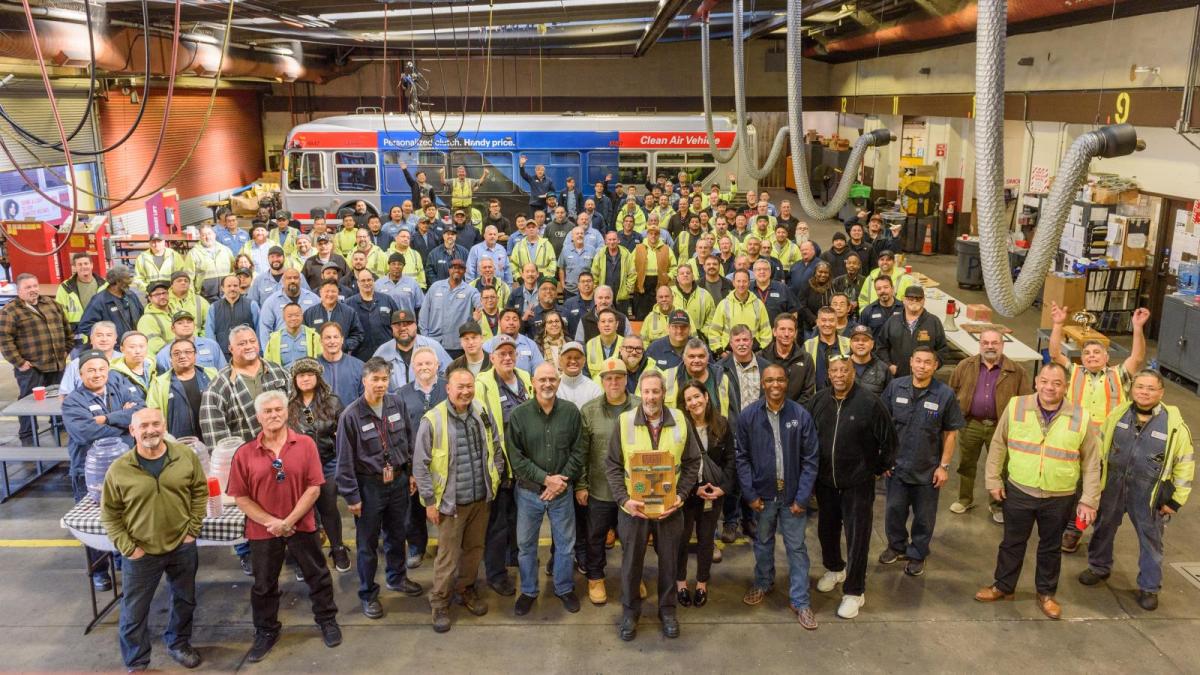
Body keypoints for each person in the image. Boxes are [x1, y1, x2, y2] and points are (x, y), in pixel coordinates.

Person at [975, 363, 1101, 620]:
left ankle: (1045, 593)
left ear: (1065, 387)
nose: (1049, 387)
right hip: (1020, 490)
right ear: (1036, 382)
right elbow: (998, 444)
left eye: (1056, 383)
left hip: (1060, 495)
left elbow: (1091, 462)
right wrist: (993, 480)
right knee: (1012, 542)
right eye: (1044, 381)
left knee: (1051, 547)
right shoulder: (1017, 406)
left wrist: (1089, 499)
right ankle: (1003, 586)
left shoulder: (1080, 416)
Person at [227, 391, 340, 662]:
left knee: (318, 575)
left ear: (287, 412)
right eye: (267, 411)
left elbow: (314, 488)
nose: (274, 414)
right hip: (263, 531)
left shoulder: (305, 444)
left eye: (278, 409)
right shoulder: (244, 453)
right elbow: (240, 497)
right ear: (258, 417)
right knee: (264, 584)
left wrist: (289, 521)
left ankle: (327, 620)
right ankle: (266, 631)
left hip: (301, 525)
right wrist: (272, 522)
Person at [100, 407, 207, 671]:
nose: (151, 430)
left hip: (181, 546)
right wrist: (129, 548)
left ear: (164, 426)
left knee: (185, 600)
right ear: (132, 431)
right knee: (134, 611)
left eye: (156, 424)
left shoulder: (184, 456)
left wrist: (192, 530)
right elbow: (110, 514)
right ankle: (137, 662)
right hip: (141, 551)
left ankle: (178, 643)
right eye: (144, 425)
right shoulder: (119, 468)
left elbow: (199, 491)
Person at [1079, 370, 1194, 611]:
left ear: (1161, 392)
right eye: (1140, 386)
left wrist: (1174, 502)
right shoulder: (1118, 414)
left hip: (1148, 492)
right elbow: (1100, 447)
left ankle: (1150, 587)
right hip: (1113, 485)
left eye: (1151, 388)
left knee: (1151, 539)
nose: (1144, 392)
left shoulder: (1174, 426)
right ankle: (1098, 567)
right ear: (1133, 389)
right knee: (1103, 526)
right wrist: (1093, 485)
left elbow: (1185, 464)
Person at [605, 370, 701, 641]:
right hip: (633, 510)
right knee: (631, 562)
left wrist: (681, 496)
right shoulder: (624, 422)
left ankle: (667, 611)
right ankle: (629, 612)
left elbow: (693, 462)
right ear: (640, 394)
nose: (650, 397)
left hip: (670, 509)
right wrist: (624, 500)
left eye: (655, 391)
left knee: (670, 561)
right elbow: (612, 465)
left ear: (664, 393)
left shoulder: (681, 420)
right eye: (646, 392)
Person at [412, 366, 505, 632]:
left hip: (480, 499)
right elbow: (420, 464)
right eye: (459, 387)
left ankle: (465, 589)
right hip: (450, 504)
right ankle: (439, 602)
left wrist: (495, 479)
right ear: (448, 389)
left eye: (469, 386)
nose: (465, 391)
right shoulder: (433, 420)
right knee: (447, 557)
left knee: (475, 551)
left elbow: (496, 446)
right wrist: (430, 501)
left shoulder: (481, 411)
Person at [1049, 304, 1149, 552]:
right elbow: (1054, 354)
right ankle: (1071, 528)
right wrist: (1058, 324)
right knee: (1074, 487)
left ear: (1107, 357)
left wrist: (1137, 328)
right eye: (1087, 353)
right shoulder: (1073, 373)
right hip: (1077, 442)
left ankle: (1084, 532)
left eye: (1097, 352)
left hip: (1110, 446)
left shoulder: (1118, 375)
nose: (1092, 356)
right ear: (1081, 359)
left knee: (1101, 492)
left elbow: (1137, 358)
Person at [334, 357, 424, 619]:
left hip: (397, 481)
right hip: (368, 486)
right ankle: (368, 593)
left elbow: (407, 439)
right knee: (367, 544)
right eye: (375, 379)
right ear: (364, 381)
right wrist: (352, 495)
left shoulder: (397, 403)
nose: (381, 384)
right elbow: (345, 460)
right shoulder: (351, 415)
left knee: (397, 535)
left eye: (384, 379)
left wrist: (409, 474)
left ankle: (396, 577)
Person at [809, 354, 897, 620]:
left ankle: (854, 591)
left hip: (857, 485)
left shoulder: (870, 403)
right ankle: (835, 568)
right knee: (827, 529)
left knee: (858, 538)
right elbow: (809, 437)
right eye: (834, 370)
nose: (839, 375)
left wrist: (874, 468)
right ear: (828, 374)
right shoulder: (819, 401)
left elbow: (890, 442)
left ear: (852, 373)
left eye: (844, 370)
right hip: (825, 483)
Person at [199, 325, 291, 574]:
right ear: (230, 348)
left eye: (252, 341)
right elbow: (216, 436)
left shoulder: (278, 373)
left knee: (287, 503)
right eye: (242, 343)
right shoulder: (218, 386)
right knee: (249, 511)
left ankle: (291, 548)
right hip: (246, 462)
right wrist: (235, 468)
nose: (249, 346)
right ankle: (246, 552)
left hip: (283, 455)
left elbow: (291, 412)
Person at [737, 363, 820, 629]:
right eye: (769, 380)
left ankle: (801, 600)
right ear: (763, 383)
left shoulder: (800, 415)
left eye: (780, 380)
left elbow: (810, 459)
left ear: (786, 382)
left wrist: (803, 497)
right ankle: (763, 583)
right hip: (763, 496)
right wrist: (750, 494)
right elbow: (742, 458)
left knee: (796, 548)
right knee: (762, 542)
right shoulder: (749, 416)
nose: (775, 385)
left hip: (793, 496)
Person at [878, 347, 965, 577]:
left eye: (928, 362)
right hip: (897, 466)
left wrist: (943, 467)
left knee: (924, 517)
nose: (922, 366)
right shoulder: (896, 387)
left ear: (935, 366)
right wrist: (884, 459)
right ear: (911, 361)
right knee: (894, 511)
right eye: (918, 361)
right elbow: (883, 425)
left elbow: (950, 433)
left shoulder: (944, 394)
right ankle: (896, 546)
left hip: (927, 470)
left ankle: (917, 553)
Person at [507, 363, 584, 615]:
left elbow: (579, 450)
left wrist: (560, 481)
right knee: (526, 545)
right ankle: (528, 590)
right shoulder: (519, 415)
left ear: (558, 382)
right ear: (533, 382)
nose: (548, 384)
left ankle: (564, 588)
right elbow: (515, 457)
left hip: (562, 492)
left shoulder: (571, 413)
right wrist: (545, 479)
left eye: (552, 379)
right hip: (529, 493)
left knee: (565, 545)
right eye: (543, 380)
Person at [63, 350, 143, 590]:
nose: (97, 374)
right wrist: (123, 424)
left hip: (124, 469)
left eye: (101, 369)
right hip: (88, 474)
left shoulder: (119, 385)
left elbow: (139, 410)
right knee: (96, 524)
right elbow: (85, 433)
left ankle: (121, 558)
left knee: (125, 516)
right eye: (91, 370)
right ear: (80, 374)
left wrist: (106, 419)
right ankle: (99, 571)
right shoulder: (73, 402)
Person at [948, 328, 1031, 521]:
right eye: (985, 342)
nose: (990, 346)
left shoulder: (1016, 371)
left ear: (1002, 345)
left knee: (1001, 467)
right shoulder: (965, 366)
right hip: (971, 424)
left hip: (1000, 427)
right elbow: (951, 391)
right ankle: (965, 499)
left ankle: (997, 505)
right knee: (966, 463)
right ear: (980, 345)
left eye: (994, 343)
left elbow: (1026, 401)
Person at [577, 357, 638, 606]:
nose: (614, 382)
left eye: (619, 377)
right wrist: (581, 484)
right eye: (608, 378)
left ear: (626, 379)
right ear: (601, 381)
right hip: (600, 488)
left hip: (633, 490)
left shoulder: (640, 406)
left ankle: (632, 578)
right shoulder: (589, 410)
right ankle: (595, 577)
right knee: (596, 536)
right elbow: (581, 452)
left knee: (632, 539)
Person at [675, 380, 735, 611]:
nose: (694, 402)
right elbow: (675, 462)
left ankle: (701, 583)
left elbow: (730, 459)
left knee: (706, 540)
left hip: (713, 493)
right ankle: (681, 583)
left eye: (697, 396)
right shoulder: (679, 425)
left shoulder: (721, 424)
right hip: (687, 492)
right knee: (681, 539)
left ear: (706, 397)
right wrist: (691, 489)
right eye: (689, 399)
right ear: (685, 404)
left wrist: (723, 488)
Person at [287, 358, 352, 575]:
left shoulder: (332, 401)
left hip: (327, 462)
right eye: (301, 375)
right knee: (304, 511)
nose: (305, 379)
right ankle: (307, 557)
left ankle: (338, 548)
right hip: (299, 467)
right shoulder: (288, 405)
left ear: (317, 378)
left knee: (328, 506)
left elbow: (344, 433)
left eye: (310, 375)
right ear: (295, 380)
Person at [0, 273, 73, 444]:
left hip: (56, 364)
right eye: (28, 287)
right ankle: (27, 434)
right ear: (18, 291)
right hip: (32, 367)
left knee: (58, 398)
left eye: (34, 286)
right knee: (27, 401)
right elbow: (4, 340)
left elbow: (66, 328)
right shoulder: (10, 311)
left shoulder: (51, 304)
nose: (33, 290)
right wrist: (20, 363)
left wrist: (66, 350)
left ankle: (59, 425)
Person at [397, 348, 447, 568]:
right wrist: (409, 470)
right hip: (415, 462)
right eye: (420, 364)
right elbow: (398, 433)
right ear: (413, 368)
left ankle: (448, 548)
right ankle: (416, 547)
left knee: (447, 505)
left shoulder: (448, 388)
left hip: (447, 461)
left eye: (429, 363)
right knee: (414, 508)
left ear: (437, 365)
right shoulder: (401, 394)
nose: (424, 368)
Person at [146, 338, 217, 440]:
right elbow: (153, 416)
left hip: (212, 438)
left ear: (195, 355)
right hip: (178, 444)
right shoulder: (159, 384)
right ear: (170, 358)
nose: (182, 356)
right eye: (176, 353)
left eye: (188, 352)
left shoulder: (212, 374)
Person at [876, 285, 948, 378]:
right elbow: (881, 346)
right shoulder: (893, 321)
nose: (914, 301)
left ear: (923, 300)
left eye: (918, 299)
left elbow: (943, 350)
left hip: (925, 378)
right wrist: (889, 365)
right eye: (910, 298)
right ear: (904, 300)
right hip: (897, 378)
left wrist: (932, 366)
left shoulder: (933, 322)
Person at [373, 309, 452, 391]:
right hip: (394, 401)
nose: (403, 328)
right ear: (392, 328)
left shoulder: (432, 346)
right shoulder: (382, 352)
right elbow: (372, 379)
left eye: (407, 324)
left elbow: (450, 373)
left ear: (415, 325)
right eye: (398, 325)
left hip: (426, 399)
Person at [706, 270, 771, 356]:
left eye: (744, 281)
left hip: (754, 353)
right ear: (733, 283)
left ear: (749, 283)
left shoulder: (758, 304)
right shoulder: (724, 304)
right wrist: (720, 352)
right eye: (738, 281)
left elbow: (766, 331)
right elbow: (714, 331)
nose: (741, 284)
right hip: (729, 353)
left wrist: (761, 350)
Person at [77, 266, 144, 341]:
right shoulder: (99, 301)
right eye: (125, 282)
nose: (128, 285)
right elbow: (85, 326)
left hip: (133, 344)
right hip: (113, 349)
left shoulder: (131, 295)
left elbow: (143, 317)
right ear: (115, 282)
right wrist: (106, 340)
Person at [316, 322, 365, 422]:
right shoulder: (313, 368)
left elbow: (366, 399)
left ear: (342, 340)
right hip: (321, 427)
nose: (332, 341)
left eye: (336, 337)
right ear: (321, 341)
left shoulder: (359, 366)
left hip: (352, 424)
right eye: (328, 337)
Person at [304, 280, 365, 356]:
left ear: (338, 293)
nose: (330, 294)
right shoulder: (309, 313)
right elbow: (304, 335)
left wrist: (344, 345)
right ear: (320, 292)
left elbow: (358, 334)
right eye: (327, 291)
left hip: (341, 357)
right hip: (318, 358)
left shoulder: (349, 312)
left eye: (333, 291)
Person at [206, 275, 260, 359]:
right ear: (222, 288)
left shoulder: (251, 305)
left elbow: (259, 330)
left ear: (239, 287)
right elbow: (210, 333)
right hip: (223, 355)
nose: (232, 289)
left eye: (235, 286)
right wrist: (215, 353)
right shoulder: (214, 307)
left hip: (247, 352)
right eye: (229, 286)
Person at [60, 322, 120, 397]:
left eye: (109, 335)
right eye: (99, 335)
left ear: (115, 339)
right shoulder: (76, 364)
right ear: (91, 339)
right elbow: (65, 395)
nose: (104, 339)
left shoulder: (126, 360)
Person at [631, 224, 677, 320]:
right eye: (651, 233)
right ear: (647, 235)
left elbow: (674, 268)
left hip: (659, 285)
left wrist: (668, 276)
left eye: (656, 234)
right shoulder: (638, 248)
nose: (653, 236)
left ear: (659, 235)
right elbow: (631, 266)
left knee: (657, 315)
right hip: (641, 286)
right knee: (641, 316)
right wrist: (634, 280)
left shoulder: (667, 249)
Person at [155, 311, 225, 373]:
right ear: (173, 328)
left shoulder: (211, 345)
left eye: (189, 322)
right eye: (180, 323)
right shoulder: (164, 354)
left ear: (194, 326)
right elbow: (163, 382)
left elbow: (224, 371)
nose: (186, 325)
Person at [56, 252, 103, 339]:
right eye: (79, 264)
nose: (83, 267)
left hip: (101, 331)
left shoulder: (104, 285)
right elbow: (59, 313)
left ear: (91, 265)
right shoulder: (65, 287)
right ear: (74, 267)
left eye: (86, 263)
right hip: (77, 333)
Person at [482, 308, 543, 374]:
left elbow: (540, 371)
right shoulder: (488, 345)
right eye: (507, 319)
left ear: (519, 324)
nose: (511, 323)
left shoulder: (531, 345)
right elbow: (483, 372)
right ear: (499, 322)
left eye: (515, 320)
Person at [265, 303, 320, 368]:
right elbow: (267, 363)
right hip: (283, 376)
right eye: (289, 316)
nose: (293, 318)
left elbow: (320, 360)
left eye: (297, 315)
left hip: (306, 376)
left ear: (302, 316)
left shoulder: (313, 336)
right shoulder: (274, 339)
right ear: (284, 318)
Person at [109, 332, 155, 401]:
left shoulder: (157, 367)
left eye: (141, 346)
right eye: (132, 347)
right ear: (122, 349)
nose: (138, 351)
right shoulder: (114, 374)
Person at [847, 324, 890, 396]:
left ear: (872, 344)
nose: (860, 343)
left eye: (865, 340)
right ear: (850, 343)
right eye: (856, 340)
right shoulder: (841, 365)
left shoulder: (884, 369)